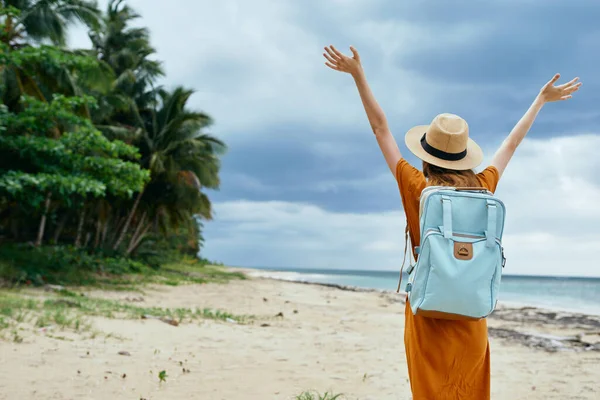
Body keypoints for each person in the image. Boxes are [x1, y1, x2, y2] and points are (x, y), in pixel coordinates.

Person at [322, 45, 581, 399]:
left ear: (426, 155)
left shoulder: (417, 187)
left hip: (428, 313)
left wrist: (358, 76)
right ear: (464, 156)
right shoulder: (483, 186)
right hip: (471, 315)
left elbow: (381, 129)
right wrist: (539, 100)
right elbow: (511, 144)